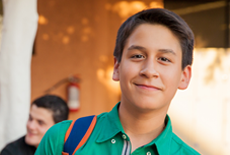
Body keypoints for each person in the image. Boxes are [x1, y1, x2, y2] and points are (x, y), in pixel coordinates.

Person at [35, 8, 200, 155]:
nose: (149, 71)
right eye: (137, 56)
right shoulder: (63, 140)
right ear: (116, 67)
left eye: (164, 59)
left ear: (184, 76)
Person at [0, 95, 69, 155]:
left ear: (59, 128)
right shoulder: (11, 151)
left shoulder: (72, 149)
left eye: (40, 122)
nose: (31, 126)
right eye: (30, 118)